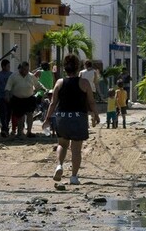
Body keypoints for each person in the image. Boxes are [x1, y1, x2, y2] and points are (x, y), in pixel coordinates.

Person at [42, 54, 101, 185]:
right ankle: (74, 177)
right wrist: (96, 115)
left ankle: (59, 165)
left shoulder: (59, 82)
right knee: (76, 149)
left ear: (65, 68)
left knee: (62, 144)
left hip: (62, 117)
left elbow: (53, 103)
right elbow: (91, 102)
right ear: (77, 67)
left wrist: (47, 119)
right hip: (78, 118)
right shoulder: (84, 83)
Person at [5, 61, 46, 138]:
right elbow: (8, 87)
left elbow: (37, 84)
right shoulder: (13, 76)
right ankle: (20, 132)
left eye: (27, 70)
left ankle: (29, 132)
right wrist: (7, 95)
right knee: (20, 116)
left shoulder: (30, 76)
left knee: (30, 114)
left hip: (29, 98)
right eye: (24, 70)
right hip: (18, 99)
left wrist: (44, 89)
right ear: (20, 69)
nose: (26, 72)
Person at [0, 59, 13, 137]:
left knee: (8, 113)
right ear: (3, 66)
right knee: (2, 112)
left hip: (10, 97)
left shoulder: (11, 75)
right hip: (1, 96)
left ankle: (6, 126)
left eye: (9, 66)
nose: (9, 67)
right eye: (8, 66)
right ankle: (4, 128)